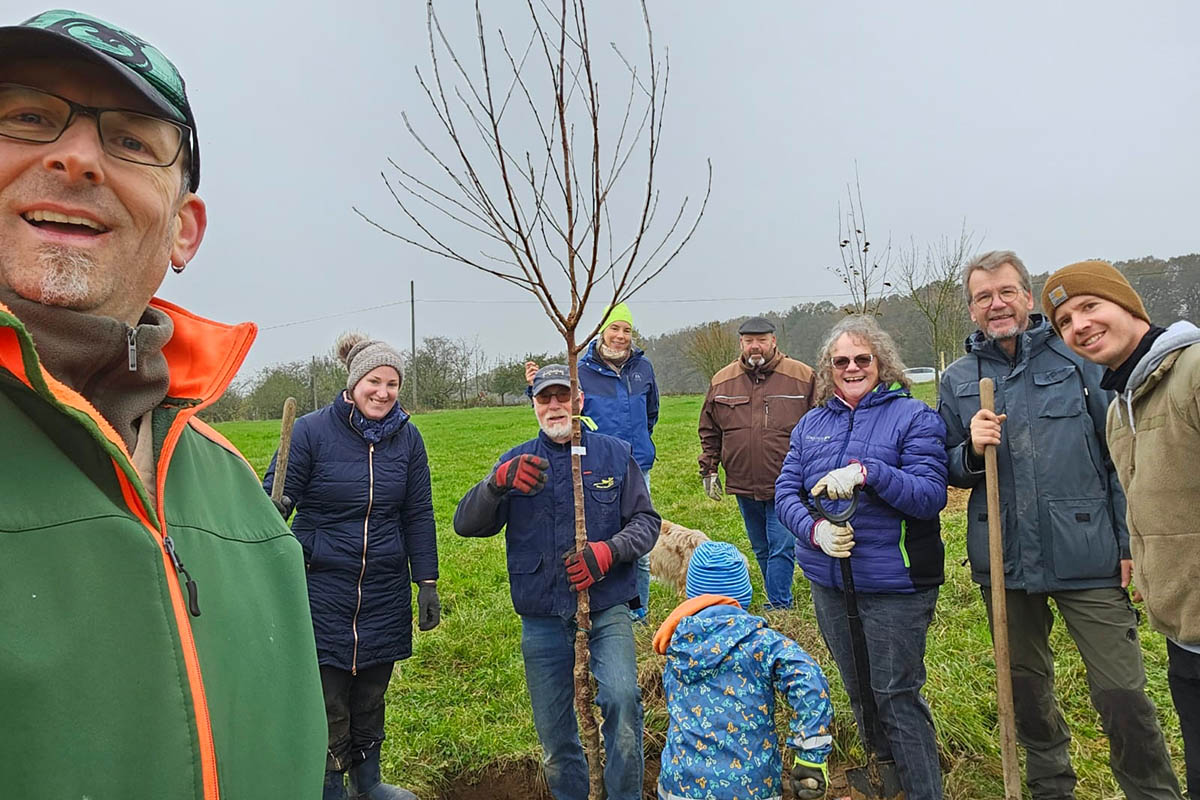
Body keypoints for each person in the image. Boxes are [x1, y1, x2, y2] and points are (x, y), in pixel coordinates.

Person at [0, 9, 326, 798]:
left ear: (184, 230)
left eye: (132, 140)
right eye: (28, 117)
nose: (76, 158)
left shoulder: (238, 495)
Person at [937, 250, 1181, 799]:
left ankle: (1151, 791)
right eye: (982, 297)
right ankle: (1051, 786)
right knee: (1025, 687)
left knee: (1121, 691)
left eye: (1006, 292)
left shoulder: (1079, 359)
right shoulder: (958, 379)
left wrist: (1128, 543)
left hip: (1088, 550)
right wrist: (971, 450)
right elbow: (945, 463)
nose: (995, 304)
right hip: (1004, 560)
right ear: (971, 309)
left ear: (1028, 297)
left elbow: (1122, 454)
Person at [454, 363, 660, 800]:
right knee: (554, 734)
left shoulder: (614, 454)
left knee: (622, 702)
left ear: (579, 401)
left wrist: (610, 552)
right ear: (533, 406)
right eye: (544, 398)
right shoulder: (516, 461)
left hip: (607, 606)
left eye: (562, 396)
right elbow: (465, 525)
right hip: (543, 614)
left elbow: (646, 522)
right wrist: (494, 486)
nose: (554, 405)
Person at [1042, 259, 1200, 795]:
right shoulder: (1121, 405)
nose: (1078, 325)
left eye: (1090, 306)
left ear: (1129, 306)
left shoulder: (1194, 370)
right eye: (1064, 321)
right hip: (1183, 629)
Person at [776, 315, 948, 799]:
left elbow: (930, 494)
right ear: (829, 370)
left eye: (862, 359)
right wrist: (815, 531)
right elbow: (786, 490)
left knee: (896, 693)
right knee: (858, 689)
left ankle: (922, 789)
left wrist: (868, 472)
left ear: (881, 362)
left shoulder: (913, 417)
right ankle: (885, 776)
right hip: (831, 581)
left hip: (895, 584)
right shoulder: (812, 424)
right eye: (841, 361)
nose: (852, 367)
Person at [264, 333, 440, 800]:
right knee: (328, 700)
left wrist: (426, 582)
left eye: (392, 383)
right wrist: (273, 508)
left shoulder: (408, 438)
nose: (383, 392)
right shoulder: (310, 431)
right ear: (353, 383)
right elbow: (273, 500)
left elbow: (418, 512)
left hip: (383, 590)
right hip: (321, 588)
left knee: (370, 697)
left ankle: (369, 785)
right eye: (373, 381)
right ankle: (328, 789)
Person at [653, 540, 834, 800]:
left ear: (692, 592)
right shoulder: (763, 644)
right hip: (752, 789)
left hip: (680, 788)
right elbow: (808, 679)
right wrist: (811, 755)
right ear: (744, 592)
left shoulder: (675, 645)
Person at [525, 302, 659, 620]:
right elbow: (560, 408)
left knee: (638, 541)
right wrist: (531, 387)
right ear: (602, 331)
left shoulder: (644, 369)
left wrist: (639, 443)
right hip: (594, 465)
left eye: (627, 330)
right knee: (595, 535)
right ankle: (593, 607)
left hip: (637, 464)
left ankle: (635, 612)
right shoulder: (582, 371)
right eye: (614, 328)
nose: (620, 336)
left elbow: (652, 412)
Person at [698, 316, 815, 610]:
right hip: (742, 480)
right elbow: (710, 429)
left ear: (773, 341)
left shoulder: (802, 377)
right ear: (741, 343)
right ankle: (775, 593)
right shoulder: (722, 380)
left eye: (762, 340)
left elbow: (820, 424)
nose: (755, 346)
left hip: (787, 481)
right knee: (762, 546)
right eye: (749, 341)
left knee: (782, 544)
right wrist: (709, 469)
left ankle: (779, 604)